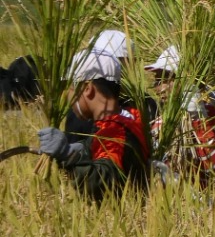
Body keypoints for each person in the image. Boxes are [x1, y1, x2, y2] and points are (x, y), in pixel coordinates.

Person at [36, 50, 151, 201]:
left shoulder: (115, 132)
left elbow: (102, 185)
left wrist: (68, 155)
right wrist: (77, 150)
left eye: (69, 88)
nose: (66, 97)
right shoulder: (127, 118)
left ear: (87, 88)